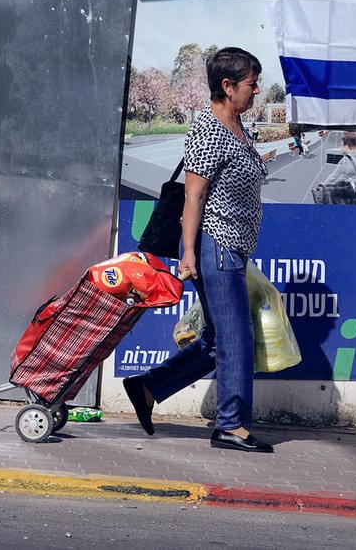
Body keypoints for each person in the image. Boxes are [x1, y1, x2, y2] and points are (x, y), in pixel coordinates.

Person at [123, 47, 273, 453]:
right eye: (251, 84)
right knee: (236, 338)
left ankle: (150, 386)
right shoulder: (209, 129)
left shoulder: (236, 125)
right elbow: (194, 198)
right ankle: (231, 425)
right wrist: (188, 253)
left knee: (214, 340)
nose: (257, 90)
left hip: (235, 247)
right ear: (227, 86)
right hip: (218, 247)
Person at [314, 131, 356, 204]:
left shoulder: (347, 159)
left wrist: (323, 185)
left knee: (337, 192)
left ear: (347, 145)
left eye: (341, 145)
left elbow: (333, 178)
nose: (341, 148)